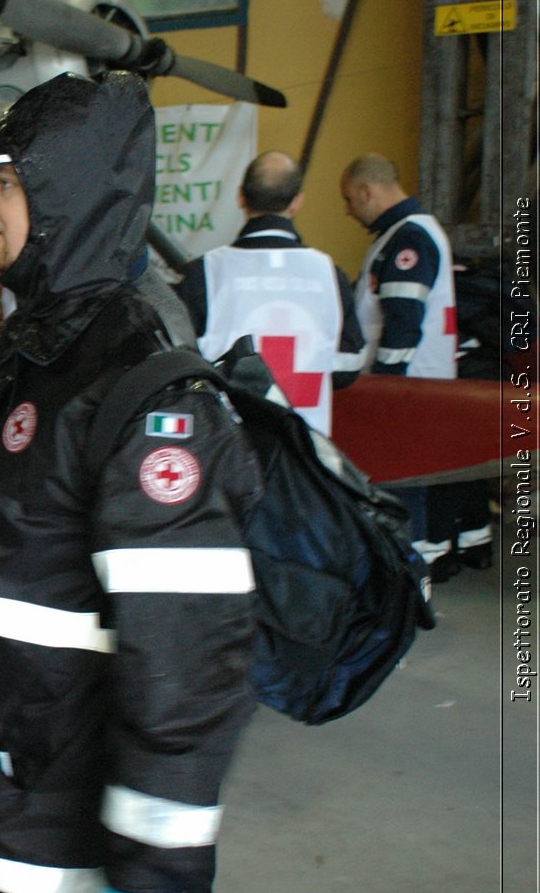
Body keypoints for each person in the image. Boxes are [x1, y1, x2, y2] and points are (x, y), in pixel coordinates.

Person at [0, 72, 263, 893]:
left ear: (66, 195)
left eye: (5, 181)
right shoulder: (40, 355)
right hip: (24, 792)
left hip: (80, 854)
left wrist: (151, 862)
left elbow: (185, 655)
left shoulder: (145, 394)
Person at [341, 153, 488, 577]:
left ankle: (408, 575)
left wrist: (384, 388)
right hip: (418, 383)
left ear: (367, 190)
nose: (349, 211)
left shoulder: (408, 237)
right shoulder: (407, 232)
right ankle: (412, 571)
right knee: (409, 481)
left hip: (405, 386)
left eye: (350, 199)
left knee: (401, 483)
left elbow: (404, 321)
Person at [175, 150, 365, 435]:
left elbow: (177, 364)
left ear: (241, 197)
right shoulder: (330, 274)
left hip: (229, 447)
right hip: (306, 450)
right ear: (297, 203)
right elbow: (348, 367)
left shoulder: (204, 273)